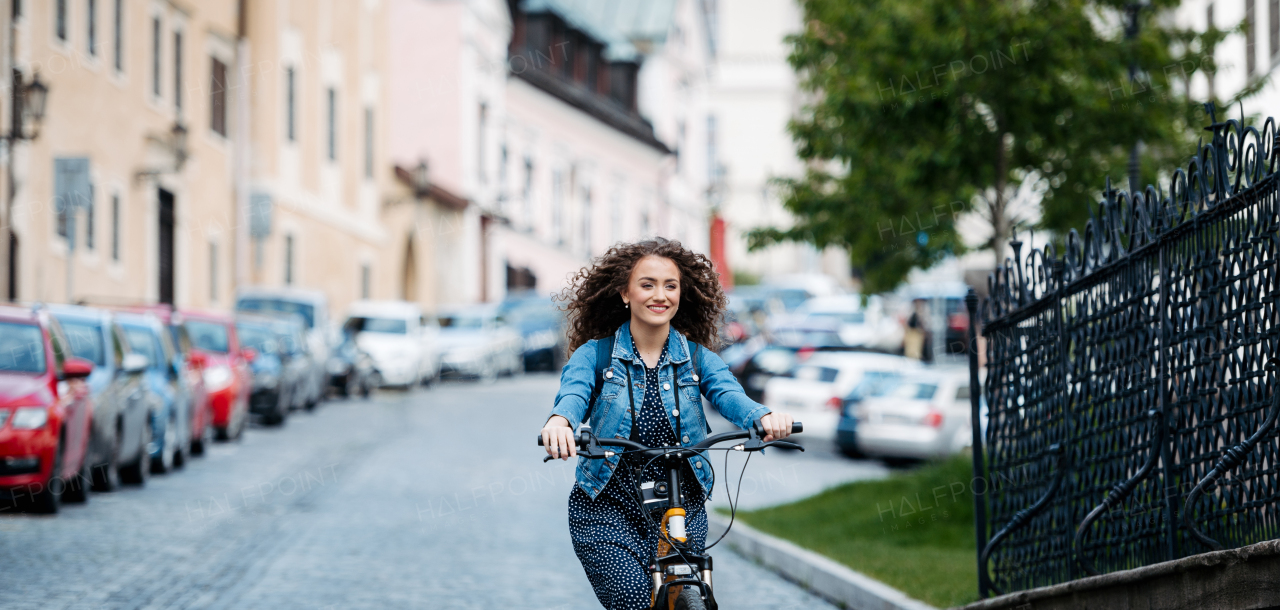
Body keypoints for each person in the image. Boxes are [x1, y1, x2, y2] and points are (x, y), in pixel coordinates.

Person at [541, 238, 794, 610]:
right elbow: (573, 396)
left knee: (692, 596)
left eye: (670, 285)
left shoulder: (696, 358)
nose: (660, 295)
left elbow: (728, 394)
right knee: (632, 598)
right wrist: (560, 422)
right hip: (609, 505)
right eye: (647, 284)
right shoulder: (595, 355)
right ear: (625, 293)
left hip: (681, 503)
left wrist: (763, 416)